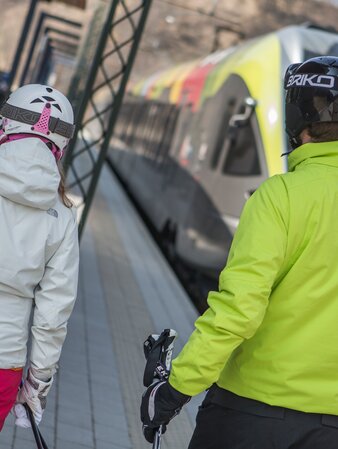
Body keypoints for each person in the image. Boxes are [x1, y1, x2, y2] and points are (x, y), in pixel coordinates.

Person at [141, 56, 338, 449]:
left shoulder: (281, 196)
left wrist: (174, 391)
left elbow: (238, 311)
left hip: (252, 413)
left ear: (295, 119)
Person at [0, 84, 79, 430]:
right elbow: (53, 314)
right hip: (5, 357)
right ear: (61, 145)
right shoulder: (61, 215)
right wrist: (37, 383)